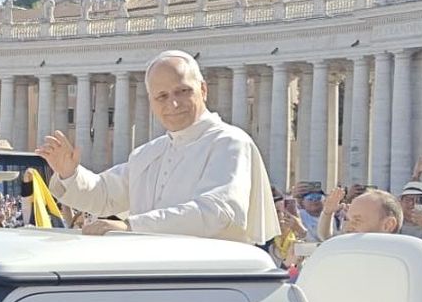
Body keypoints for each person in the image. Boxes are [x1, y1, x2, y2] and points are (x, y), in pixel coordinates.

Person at [34, 50, 279, 244]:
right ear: (151, 101)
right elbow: (105, 195)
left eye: (182, 91)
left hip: (211, 281)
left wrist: (132, 227)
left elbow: (217, 211)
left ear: (202, 90)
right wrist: (70, 173)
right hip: (154, 273)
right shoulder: (148, 153)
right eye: (161, 96)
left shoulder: (230, 142)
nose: (172, 103)